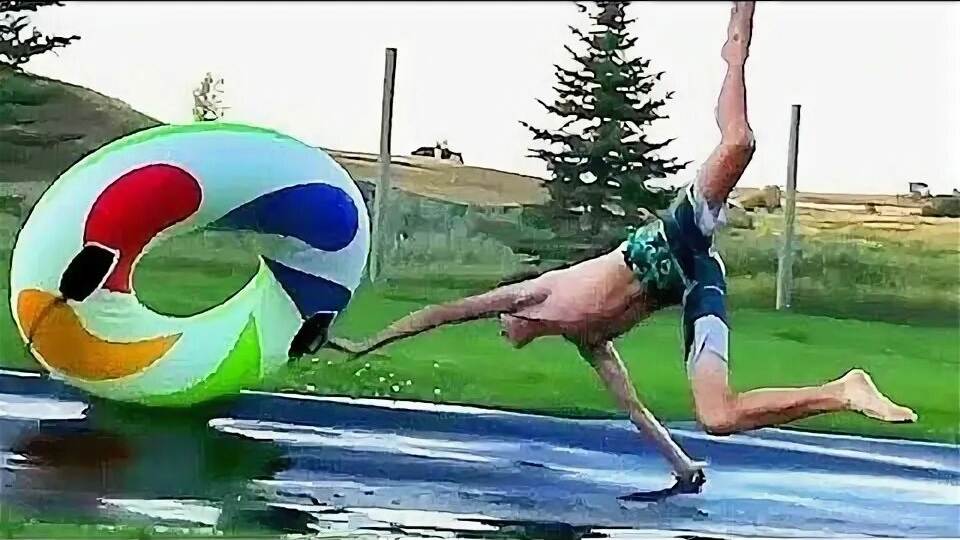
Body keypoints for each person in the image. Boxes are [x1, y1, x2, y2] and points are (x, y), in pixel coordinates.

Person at [328, 1, 917, 487]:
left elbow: (438, 315)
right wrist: (682, 466)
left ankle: (734, 46)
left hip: (674, 237)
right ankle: (841, 391)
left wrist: (361, 344)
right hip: (699, 279)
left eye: (501, 325)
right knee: (717, 416)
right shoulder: (591, 342)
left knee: (739, 143)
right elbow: (636, 411)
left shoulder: (533, 295)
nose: (502, 333)